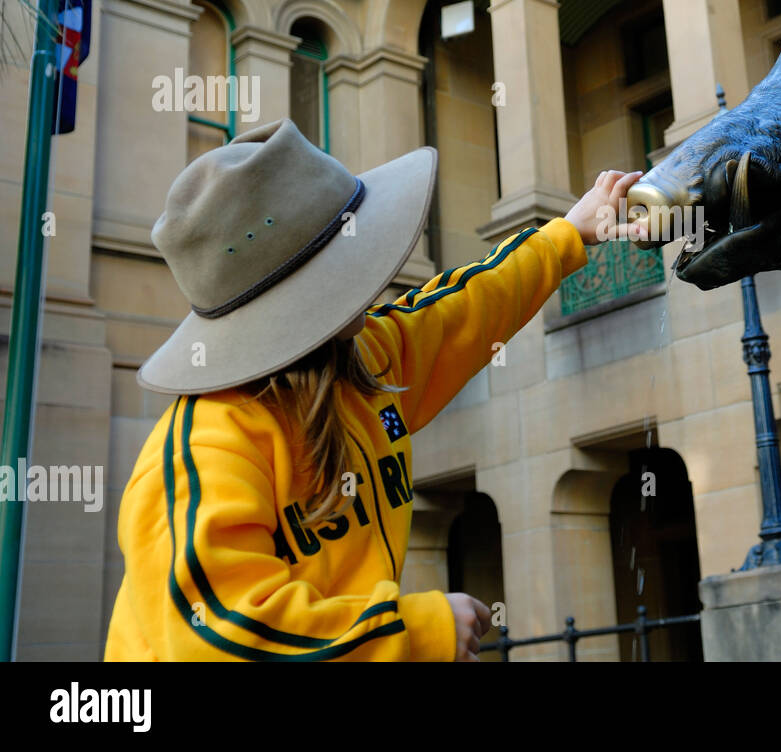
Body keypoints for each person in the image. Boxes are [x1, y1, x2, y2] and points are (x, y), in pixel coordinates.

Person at [104, 118, 642, 660]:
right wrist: (418, 634)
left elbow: (468, 307)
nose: (373, 270)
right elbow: (217, 636)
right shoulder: (203, 449)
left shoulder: (361, 356)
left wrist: (570, 232)